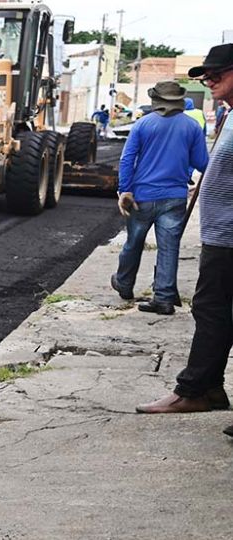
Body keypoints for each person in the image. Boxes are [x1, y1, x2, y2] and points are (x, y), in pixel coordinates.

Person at [135, 44, 233, 435]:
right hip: (220, 233)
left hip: (228, 236)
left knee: (211, 310)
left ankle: (194, 389)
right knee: (212, 310)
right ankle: (206, 388)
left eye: (217, 74)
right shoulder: (222, 118)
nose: (209, 82)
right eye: (205, 77)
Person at [110, 81, 209, 316]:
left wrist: (125, 189)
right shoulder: (192, 127)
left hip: (142, 196)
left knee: (134, 242)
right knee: (169, 247)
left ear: (156, 100)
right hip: (175, 197)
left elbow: (127, 159)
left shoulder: (143, 124)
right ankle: (164, 298)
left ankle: (124, 283)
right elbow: (202, 163)